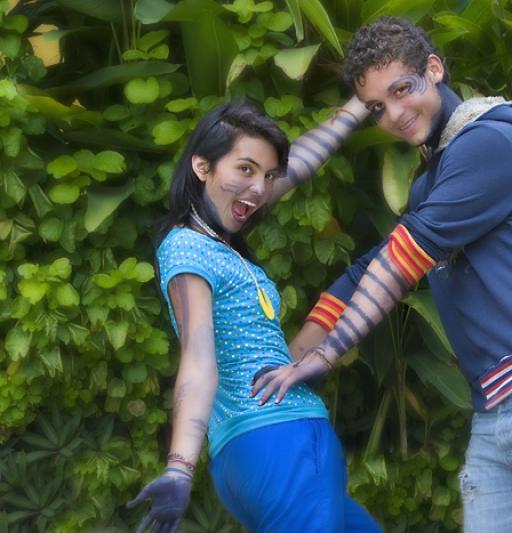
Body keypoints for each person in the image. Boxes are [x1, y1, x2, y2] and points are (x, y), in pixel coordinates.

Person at [251, 16, 512, 533]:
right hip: (499, 409)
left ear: (435, 68)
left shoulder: (488, 144)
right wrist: (289, 363)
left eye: (403, 89)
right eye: (378, 108)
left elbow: (401, 261)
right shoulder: (434, 177)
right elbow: (367, 269)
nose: (395, 114)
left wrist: (325, 355)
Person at [126, 99, 382, 533]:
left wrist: (358, 106)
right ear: (202, 167)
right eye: (244, 169)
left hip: (249, 453)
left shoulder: (218, 240)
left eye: (266, 176)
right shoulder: (189, 247)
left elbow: (297, 166)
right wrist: (179, 467)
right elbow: (198, 359)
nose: (260, 188)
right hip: (279, 441)